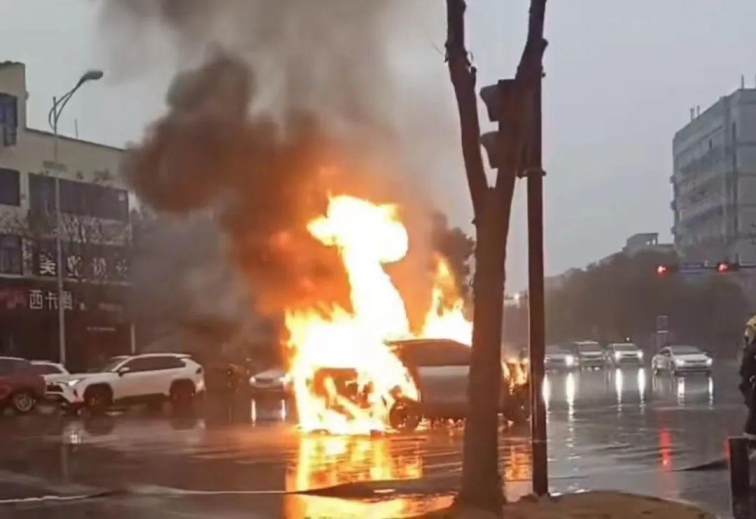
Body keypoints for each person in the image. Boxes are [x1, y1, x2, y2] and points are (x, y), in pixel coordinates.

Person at [739, 315, 756, 442]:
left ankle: (750, 442)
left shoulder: (752, 350)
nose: (747, 333)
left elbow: (745, 370)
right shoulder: (750, 349)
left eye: (750, 330)